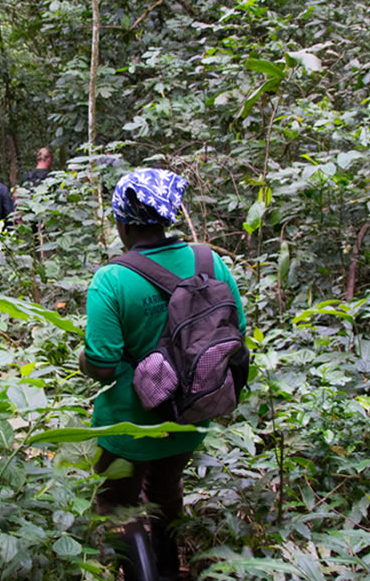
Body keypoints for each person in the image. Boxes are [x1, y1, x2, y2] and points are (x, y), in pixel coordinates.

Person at [78, 168, 247, 581]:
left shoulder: (112, 280)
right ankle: (171, 568)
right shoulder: (209, 261)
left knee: (117, 504)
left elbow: (101, 365)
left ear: (121, 223)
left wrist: (84, 360)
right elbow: (236, 334)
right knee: (166, 489)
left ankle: (141, 574)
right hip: (191, 411)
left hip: (127, 424)